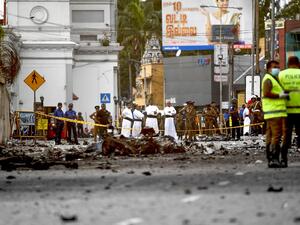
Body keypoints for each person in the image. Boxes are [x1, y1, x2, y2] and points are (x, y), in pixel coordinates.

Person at [262, 60, 289, 168]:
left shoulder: (273, 79)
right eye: (274, 67)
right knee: (276, 136)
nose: (277, 69)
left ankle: (270, 158)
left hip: (272, 112)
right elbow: (267, 93)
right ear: (268, 68)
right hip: (275, 113)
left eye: (278, 67)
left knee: (271, 136)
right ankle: (274, 157)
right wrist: (280, 95)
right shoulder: (268, 79)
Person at [279, 56, 300, 151]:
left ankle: (284, 157)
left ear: (288, 64)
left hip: (286, 110)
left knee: (287, 133)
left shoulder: (281, 75)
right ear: (298, 63)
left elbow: (278, 92)